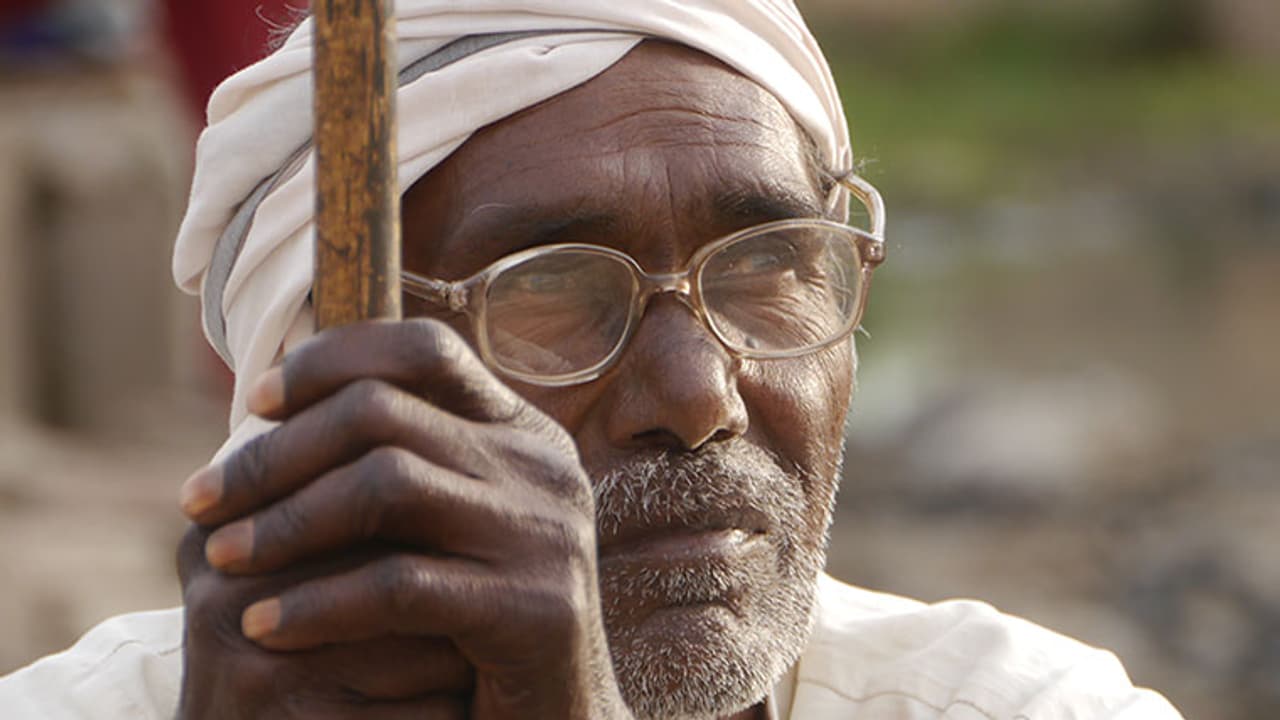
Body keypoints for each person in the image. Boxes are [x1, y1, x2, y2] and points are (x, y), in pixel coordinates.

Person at [0, 2, 1186, 718]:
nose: (698, 395)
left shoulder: (1000, 705)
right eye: (554, 291)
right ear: (313, 389)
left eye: (766, 263)